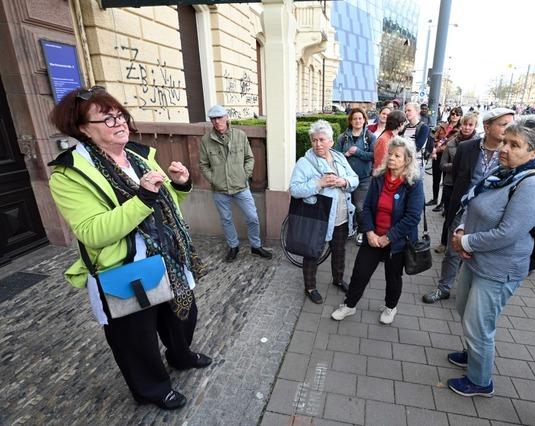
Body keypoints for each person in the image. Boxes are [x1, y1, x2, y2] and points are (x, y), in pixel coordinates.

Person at [48, 86, 211, 410]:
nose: (119, 122)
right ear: (83, 129)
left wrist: (178, 185)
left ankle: (179, 355)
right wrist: (143, 197)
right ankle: (151, 388)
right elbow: (93, 231)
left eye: (119, 114)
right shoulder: (69, 174)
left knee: (183, 316)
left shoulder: (138, 156)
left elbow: (162, 207)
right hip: (124, 269)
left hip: (167, 256)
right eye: (107, 119)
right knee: (136, 339)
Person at [447, 116, 535, 397]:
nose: (504, 148)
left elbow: (508, 233)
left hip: (498, 267)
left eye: (515, 144)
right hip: (475, 257)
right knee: (464, 309)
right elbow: (474, 203)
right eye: (505, 140)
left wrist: (465, 240)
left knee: (480, 324)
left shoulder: (532, 185)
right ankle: (473, 353)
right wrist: (460, 229)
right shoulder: (506, 173)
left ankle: (480, 381)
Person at [422, 108, 514, 304]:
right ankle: (444, 288)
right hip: (463, 210)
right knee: (452, 252)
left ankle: (469, 291)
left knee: (478, 253)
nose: (509, 128)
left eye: (510, 124)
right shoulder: (466, 148)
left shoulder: (512, 154)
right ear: (487, 126)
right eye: (504, 124)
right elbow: (457, 177)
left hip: (492, 216)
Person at [331, 136, 424, 324]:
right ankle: (349, 306)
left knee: (393, 277)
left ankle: (390, 307)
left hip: (396, 242)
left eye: (397, 156)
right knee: (360, 272)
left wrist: (388, 237)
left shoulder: (413, 183)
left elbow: (413, 217)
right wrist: (370, 232)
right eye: (390, 154)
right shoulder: (379, 178)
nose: (391, 158)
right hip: (373, 237)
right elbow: (367, 208)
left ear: (407, 160)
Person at [289, 120, 359, 304]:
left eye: (322, 140)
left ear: (331, 141)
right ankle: (310, 287)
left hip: (342, 215)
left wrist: (343, 181)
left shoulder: (339, 158)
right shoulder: (304, 162)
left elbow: (355, 178)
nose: (318, 144)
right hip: (318, 217)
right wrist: (318, 184)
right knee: (312, 252)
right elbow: (294, 189)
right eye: (314, 140)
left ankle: (337, 279)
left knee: (339, 251)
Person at [199, 105, 272, 263]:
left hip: (241, 187)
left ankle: (256, 245)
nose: (217, 121)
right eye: (213, 119)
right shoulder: (206, 140)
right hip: (219, 189)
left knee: (252, 217)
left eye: (220, 117)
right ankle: (233, 246)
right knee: (226, 219)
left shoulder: (240, 135)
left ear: (226, 117)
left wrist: (244, 175)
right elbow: (203, 165)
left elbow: (249, 158)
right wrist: (215, 179)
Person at [435, 112, 479, 253]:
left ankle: (462, 243)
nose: (467, 127)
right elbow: (442, 165)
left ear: (475, 126)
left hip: (468, 186)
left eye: (470, 125)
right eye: (465, 124)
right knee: (449, 214)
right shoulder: (452, 143)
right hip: (450, 184)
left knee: (466, 217)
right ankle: (444, 242)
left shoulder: (479, 145)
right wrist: (457, 166)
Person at [337, 108, 377, 246]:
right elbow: (335, 156)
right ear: (350, 121)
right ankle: (349, 229)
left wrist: (358, 152)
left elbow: (374, 155)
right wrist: (346, 154)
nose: (358, 121)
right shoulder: (343, 137)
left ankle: (361, 231)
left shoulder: (370, 137)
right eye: (355, 118)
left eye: (360, 118)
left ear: (365, 119)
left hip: (364, 179)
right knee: (347, 206)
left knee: (360, 207)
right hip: (346, 178)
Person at [428, 106, 463, 211]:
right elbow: (435, 137)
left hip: (448, 157)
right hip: (437, 155)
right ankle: (434, 198)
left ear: (460, 116)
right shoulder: (443, 126)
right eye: (453, 113)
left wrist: (436, 150)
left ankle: (442, 204)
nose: (454, 116)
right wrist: (434, 149)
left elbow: (450, 144)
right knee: (436, 178)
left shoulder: (459, 129)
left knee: (445, 180)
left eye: (457, 114)